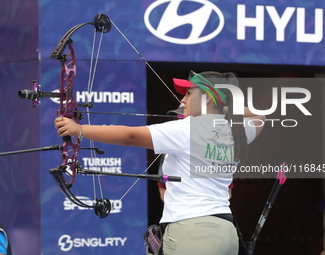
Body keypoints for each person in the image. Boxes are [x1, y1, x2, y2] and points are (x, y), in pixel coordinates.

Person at [54, 70, 266, 255]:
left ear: (208, 98)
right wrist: (219, 111)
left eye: (189, 93)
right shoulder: (237, 131)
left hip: (193, 230)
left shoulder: (188, 129)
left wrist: (78, 130)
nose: (182, 100)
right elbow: (260, 116)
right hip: (226, 231)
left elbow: (130, 136)